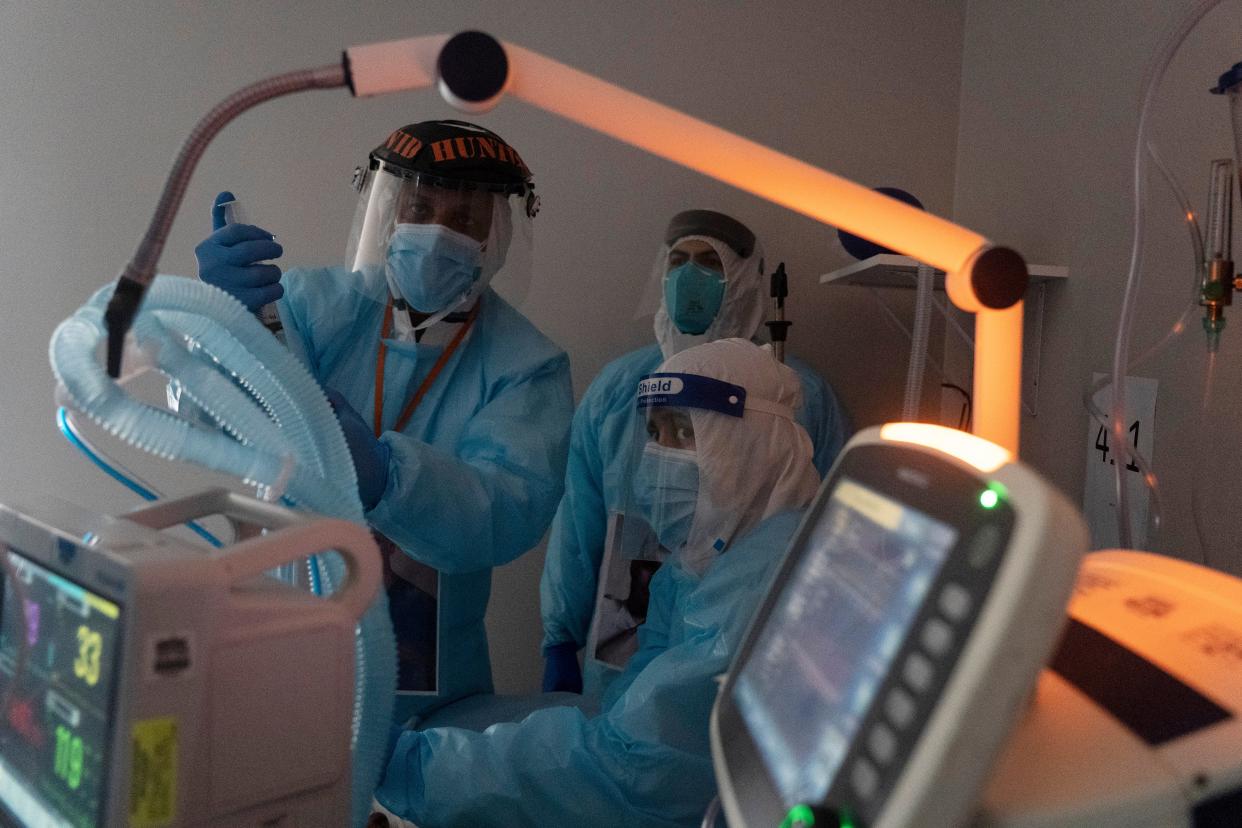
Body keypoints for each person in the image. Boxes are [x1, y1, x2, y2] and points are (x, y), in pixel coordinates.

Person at [193, 120, 574, 722]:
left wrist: (389, 478)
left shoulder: (526, 365)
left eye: (466, 218)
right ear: (389, 213)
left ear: (497, 234)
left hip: (430, 681)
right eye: (420, 207)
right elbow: (211, 426)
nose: (439, 233)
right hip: (288, 643)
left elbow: (508, 510)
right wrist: (221, 332)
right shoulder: (309, 307)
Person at [371, 338, 822, 827]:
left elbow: (636, 769)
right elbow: (637, 709)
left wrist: (417, 769)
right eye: (653, 432)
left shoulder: (765, 587)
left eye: (682, 433)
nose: (658, 455)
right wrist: (561, 637)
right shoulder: (700, 566)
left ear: (750, 441)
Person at [540, 209, 848, 694]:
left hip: (746, 637)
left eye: (710, 263)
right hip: (626, 635)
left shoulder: (789, 395)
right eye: (678, 261)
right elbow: (580, 521)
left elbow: (829, 531)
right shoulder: (619, 390)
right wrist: (560, 635)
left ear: (746, 280)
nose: (689, 277)